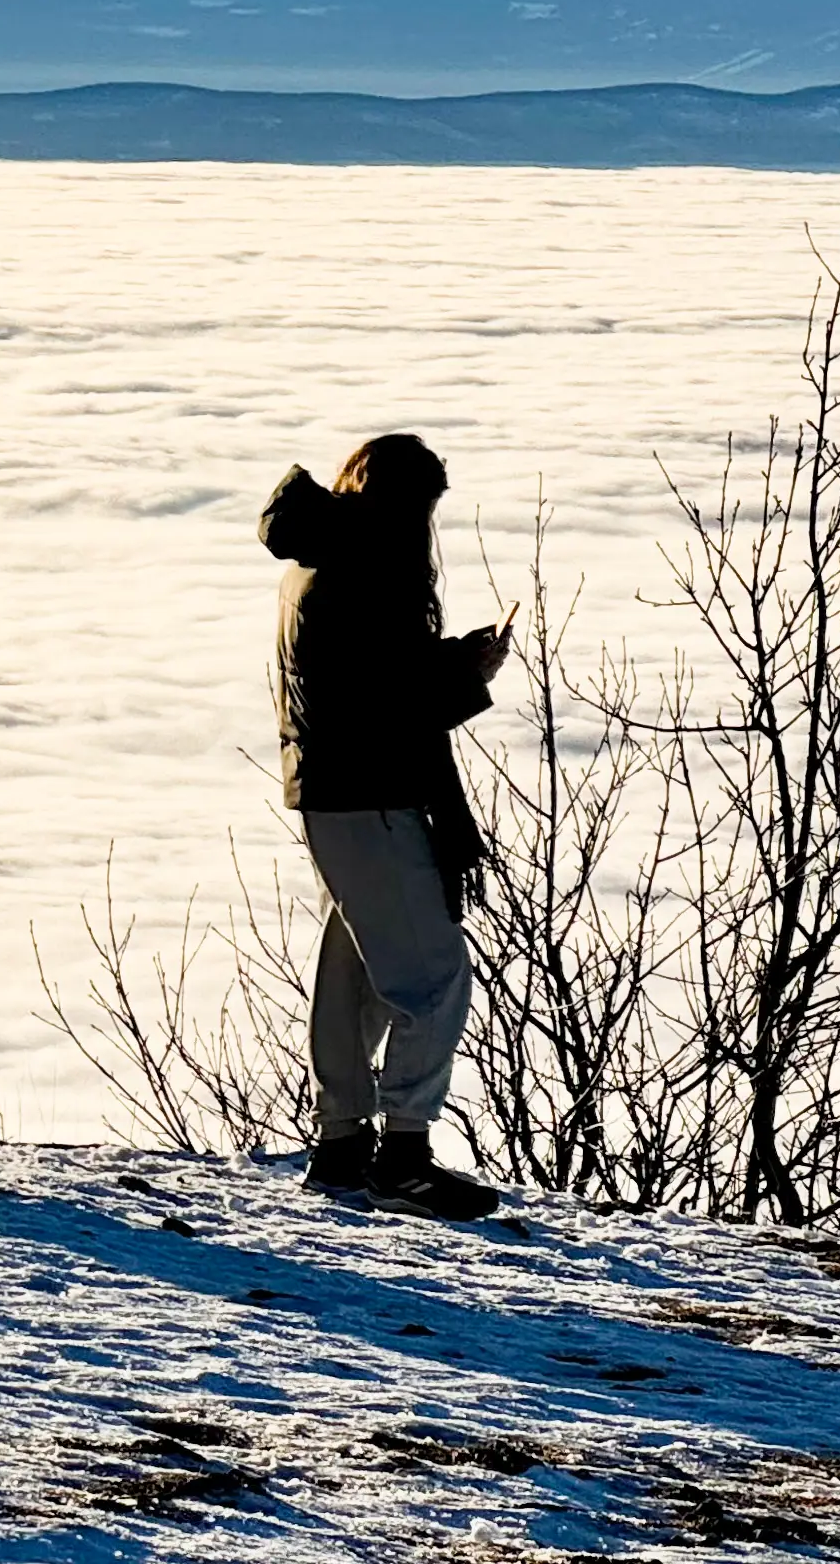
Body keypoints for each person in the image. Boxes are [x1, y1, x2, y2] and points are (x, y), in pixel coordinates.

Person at [261, 435, 508, 1220]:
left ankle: (340, 1144)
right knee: (431, 982)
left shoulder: (324, 560)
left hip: (334, 794)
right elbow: (388, 706)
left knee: (357, 976)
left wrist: (445, 666)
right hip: (373, 794)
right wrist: (465, 676)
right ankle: (403, 1154)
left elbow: (368, 681)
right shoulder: (365, 573)